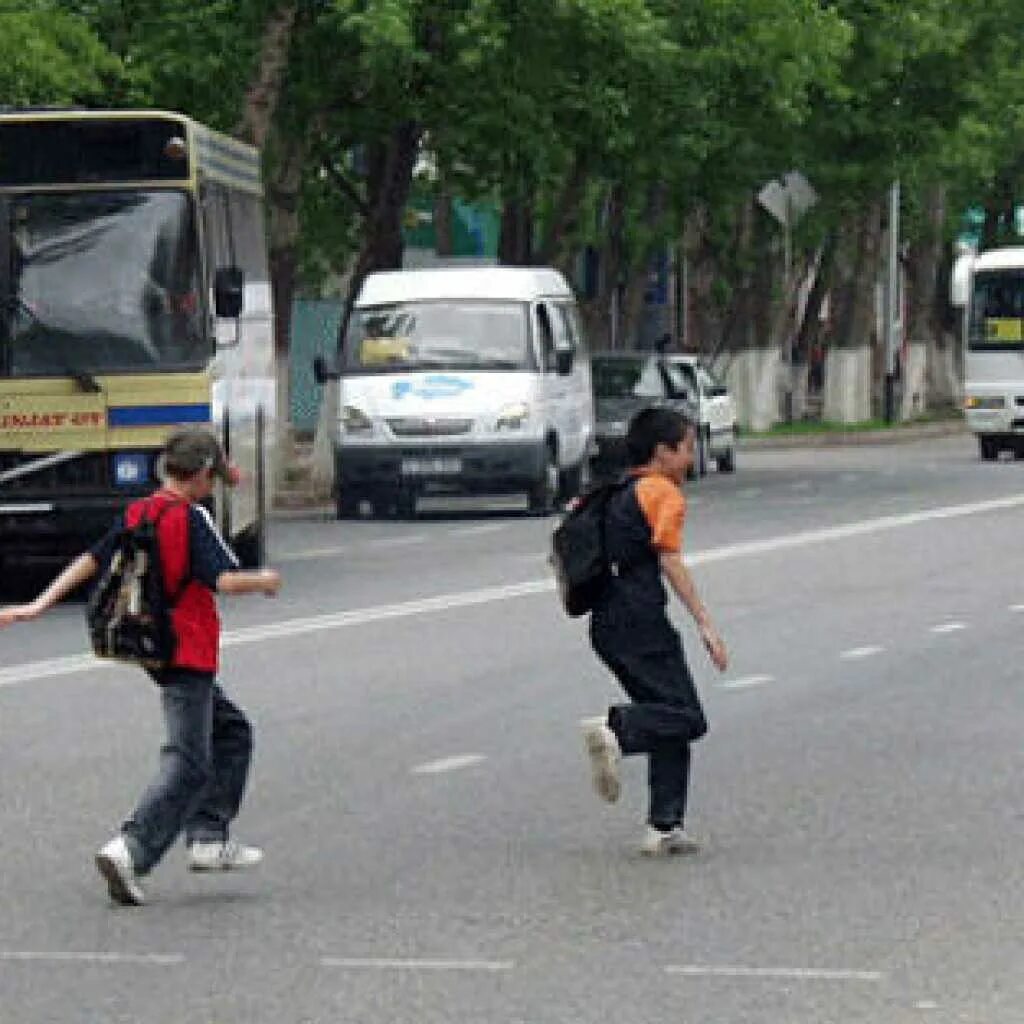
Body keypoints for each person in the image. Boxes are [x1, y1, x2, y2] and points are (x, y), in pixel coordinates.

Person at [0, 428, 282, 905]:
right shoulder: (191, 517)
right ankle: (131, 849)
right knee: (189, 761)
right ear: (200, 476)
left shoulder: (140, 510)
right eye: (212, 477)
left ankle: (209, 838)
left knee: (232, 732)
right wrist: (264, 580)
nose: (212, 486)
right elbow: (223, 580)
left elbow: (91, 559)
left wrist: (38, 604)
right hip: (186, 650)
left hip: (151, 645)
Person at [580, 407, 728, 856]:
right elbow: (669, 560)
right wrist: (706, 623)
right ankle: (616, 728)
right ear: (662, 452)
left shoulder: (617, 492)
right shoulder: (661, 492)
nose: (691, 458)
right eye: (686, 448)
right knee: (687, 718)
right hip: (640, 621)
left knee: (669, 714)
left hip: (606, 622)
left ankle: (664, 825)